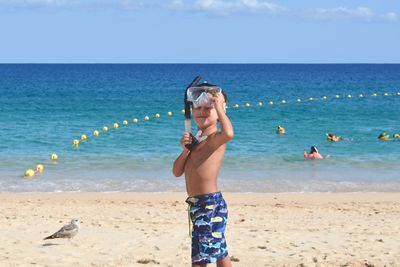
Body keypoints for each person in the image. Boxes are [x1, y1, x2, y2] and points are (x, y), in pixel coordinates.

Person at [173, 82, 234, 267]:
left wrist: (218, 105)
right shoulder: (196, 140)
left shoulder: (216, 138)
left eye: (208, 108)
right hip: (197, 205)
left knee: (201, 258)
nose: (202, 111)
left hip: (209, 204)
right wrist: (185, 150)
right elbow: (176, 171)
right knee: (219, 251)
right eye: (197, 107)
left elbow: (229, 133)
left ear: (219, 112)